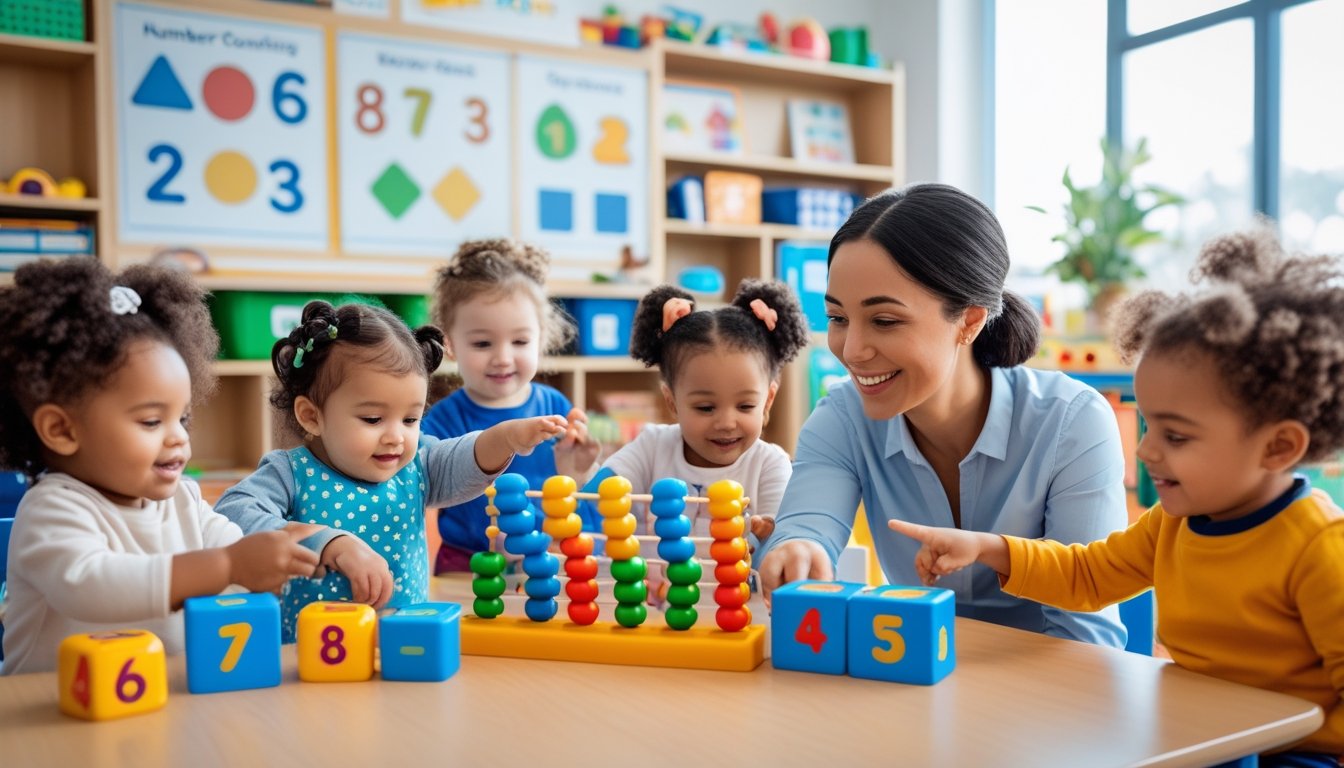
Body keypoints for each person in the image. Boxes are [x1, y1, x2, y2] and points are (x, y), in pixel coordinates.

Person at [891, 228, 1344, 766]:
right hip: (1200, 734)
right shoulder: (1174, 523)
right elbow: (1088, 577)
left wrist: (1278, 732)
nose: (1147, 451)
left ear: (1279, 446)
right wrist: (987, 548)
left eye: (1175, 436)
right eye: (1149, 427)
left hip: (1288, 752)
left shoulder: (1319, 548)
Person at [756, 183, 1128, 647]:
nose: (850, 351)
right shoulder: (842, 417)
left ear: (969, 322)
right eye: (838, 318)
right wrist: (795, 549)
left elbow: (1085, 632)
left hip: (1047, 697)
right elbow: (807, 526)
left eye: (885, 321)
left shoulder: (1071, 422)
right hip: (915, 682)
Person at [0, 259, 320, 674]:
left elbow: (236, 543)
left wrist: (298, 544)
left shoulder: (183, 499)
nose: (179, 438)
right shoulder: (52, 509)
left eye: (182, 418)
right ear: (61, 429)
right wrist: (228, 565)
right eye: (152, 421)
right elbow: (91, 586)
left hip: (150, 697)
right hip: (48, 712)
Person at [214, 300, 566, 641]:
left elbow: (460, 459)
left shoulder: (416, 464)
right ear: (311, 416)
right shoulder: (290, 473)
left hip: (407, 646)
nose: (396, 437)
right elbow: (232, 514)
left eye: (411, 418)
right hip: (309, 656)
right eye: (372, 419)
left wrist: (505, 437)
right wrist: (329, 542)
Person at [423, 239, 600, 572]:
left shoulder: (556, 406)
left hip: (545, 563)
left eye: (519, 341)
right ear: (450, 343)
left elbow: (576, 497)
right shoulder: (441, 422)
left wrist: (581, 469)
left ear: (541, 337)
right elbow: (424, 499)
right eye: (482, 343)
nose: (502, 358)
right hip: (468, 565)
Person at [598, 278, 808, 546]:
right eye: (706, 408)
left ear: (767, 401)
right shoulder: (652, 447)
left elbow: (786, 539)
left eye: (745, 406)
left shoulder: (769, 465)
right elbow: (600, 494)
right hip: (651, 589)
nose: (726, 422)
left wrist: (771, 534)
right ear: (672, 402)